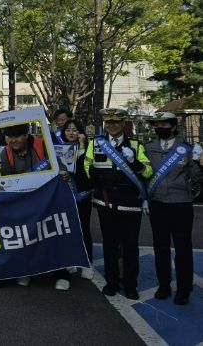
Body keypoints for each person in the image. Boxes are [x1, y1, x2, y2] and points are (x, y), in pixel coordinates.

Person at [84, 108, 153, 300]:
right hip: (105, 201)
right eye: (109, 122)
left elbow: (148, 171)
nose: (112, 125)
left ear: (123, 123)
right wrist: (94, 179)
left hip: (129, 203)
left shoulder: (136, 145)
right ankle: (112, 282)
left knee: (130, 245)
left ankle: (130, 284)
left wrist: (134, 162)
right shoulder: (95, 143)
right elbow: (87, 165)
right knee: (110, 244)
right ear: (105, 124)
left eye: (116, 122)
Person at [144, 112, 202, 305]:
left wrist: (198, 162)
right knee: (160, 246)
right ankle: (164, 285)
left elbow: (197, 177)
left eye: (164, 124)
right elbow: (144, 173)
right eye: (157, 125)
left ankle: (184, 289)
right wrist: (144, 197)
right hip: (157, 203)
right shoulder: (148, 148)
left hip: (181, 203)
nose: (160, 127)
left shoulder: (185, 148)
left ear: (174, 126)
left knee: (182, 247)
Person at [61, 119, 94, 280]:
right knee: (67, 229)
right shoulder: (59, 148)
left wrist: (81, 145)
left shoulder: (88, 148)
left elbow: (84, 169)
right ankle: (71, 260)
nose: (71, 133)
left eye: (74, 130)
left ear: (80, 132)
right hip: (65, 195)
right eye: (68, 130)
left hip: (82, 195)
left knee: (84, 229)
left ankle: (87, 263)